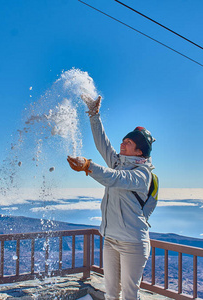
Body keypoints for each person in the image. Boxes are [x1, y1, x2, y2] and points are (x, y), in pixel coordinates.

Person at [67, 94, 157, 300]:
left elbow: (116, 178)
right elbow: (102, 144)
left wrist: (89, 166)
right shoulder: (118, 162)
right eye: (123, 140)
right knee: (111, 293)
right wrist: (93, 114)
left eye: (128, 142)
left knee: (129, 294)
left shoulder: (143, 174)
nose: (122, 143)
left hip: (133, 243)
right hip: (110, 240)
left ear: (139, 151)